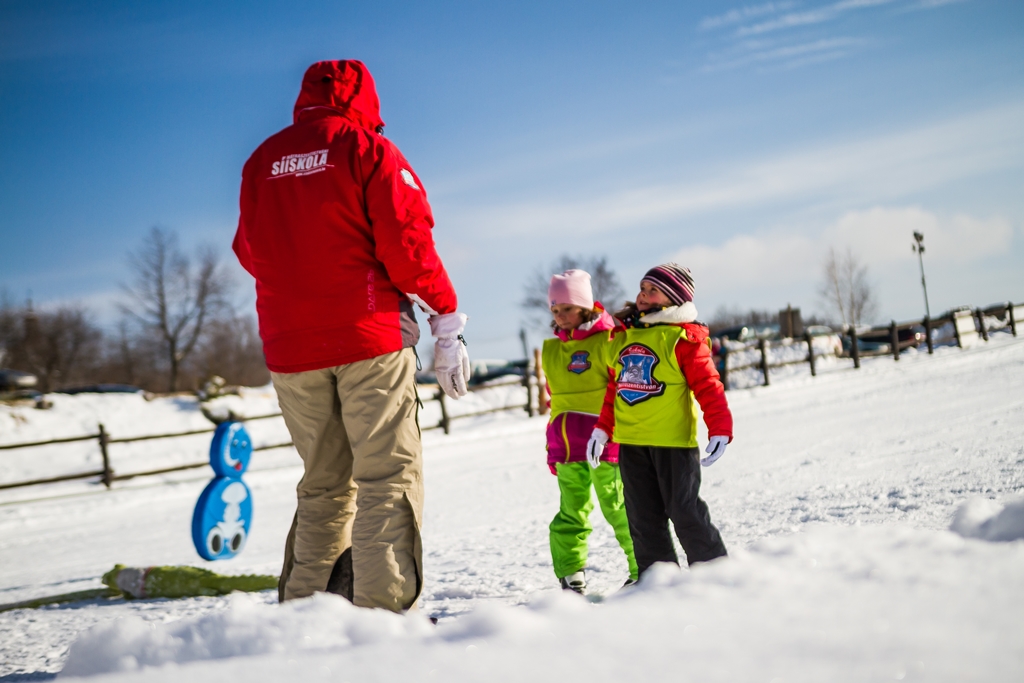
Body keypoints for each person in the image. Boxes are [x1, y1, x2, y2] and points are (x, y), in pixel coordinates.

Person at [232, 60, 470, 613]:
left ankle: (301, 617)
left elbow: (249, 250)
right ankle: (380, 619)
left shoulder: (261, 161)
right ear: (365, 98)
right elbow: (407, 244)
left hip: (291, 349)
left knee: (323, 484)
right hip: (369, 338)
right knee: (387, 475)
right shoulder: (366, 149)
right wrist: (447, 318)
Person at [588, 263, 730, 577]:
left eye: (653, 289)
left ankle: (715, 572)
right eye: (642, 288)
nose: (643, 295)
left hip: (672, 443)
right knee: (642, 516)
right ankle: (658, 580)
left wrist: (719, 427)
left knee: (684, 510)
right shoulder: (623, 337)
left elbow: (708, 386)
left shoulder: (682, 338)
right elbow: (615, 389)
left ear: (673, 299)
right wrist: (602, 428)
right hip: (631, 444)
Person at [541, 270, 638, 595]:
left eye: (566, 308)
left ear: (584, 306)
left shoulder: (608, 340)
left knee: (617, 505)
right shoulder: (552, 351)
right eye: (555, 310)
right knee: (572, 509)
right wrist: (550, 445)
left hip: (603, 442)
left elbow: (619, 388)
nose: (560, 316)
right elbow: (555, 400)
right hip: (566, 445)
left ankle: (643, 566)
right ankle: (570, 572)